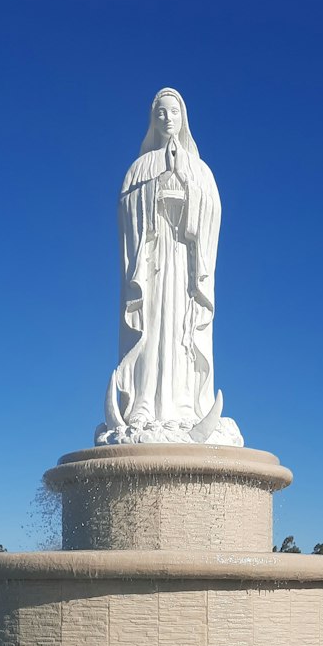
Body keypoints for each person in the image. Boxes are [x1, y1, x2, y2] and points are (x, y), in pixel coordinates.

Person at [96, 89, 242, 446]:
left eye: (172, 112)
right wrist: (154, 190)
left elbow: (213, 212)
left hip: (185, 264)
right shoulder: (139, 168)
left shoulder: (200, 169)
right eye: (160, 113)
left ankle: (186, 405)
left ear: (183, 117)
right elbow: (126, 212)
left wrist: (187, 183)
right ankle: (144, 406)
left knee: (181, 331)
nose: (166, 119)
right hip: (152, 261)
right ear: (153, 119)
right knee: (152, 328)